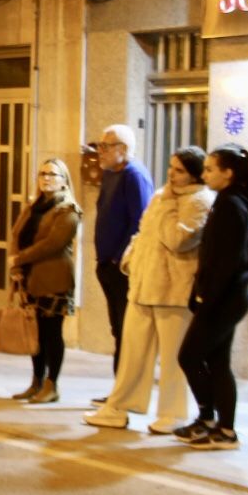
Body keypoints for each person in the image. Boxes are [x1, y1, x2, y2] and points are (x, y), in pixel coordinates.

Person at [85, 147, 213, 433]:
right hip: (143, 285)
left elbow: (178, 240)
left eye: (179, 170)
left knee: (172, 358)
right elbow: (143, 231)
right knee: (132, 351)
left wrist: (169, 207)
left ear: (193, 173)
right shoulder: (161, 196)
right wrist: (132, 257)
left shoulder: (200, 201)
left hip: (174, 291)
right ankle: (118, 407)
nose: (171, 174)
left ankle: (172, 413)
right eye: (170, 167)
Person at [177, 145, 248, 450]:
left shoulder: (231, 205)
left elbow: (226, 262)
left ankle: (220, 425)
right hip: (222, 296)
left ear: (229, 173)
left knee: (188, 356)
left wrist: (206, 297)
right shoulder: (226, 201)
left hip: (224, 299)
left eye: (211, 169)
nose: (205, 174)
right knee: (216, 361)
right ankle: (215, 424)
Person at [7, 159, 81, 405]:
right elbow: (17, 234)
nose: (46, 178)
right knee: (35, 332)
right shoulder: (33, 206)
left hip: (54, 278)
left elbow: (53, 244)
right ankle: (36, 381)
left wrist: (21, 258)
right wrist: (17, 265)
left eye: (53, 174)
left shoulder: (68, 210)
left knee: (52, 333)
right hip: (30, 278)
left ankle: (52, 384)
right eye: (43, 173)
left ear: (64, 180)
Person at [93, 124, 153, 374]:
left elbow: (139, 222)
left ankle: (125, 391)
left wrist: (119, 258)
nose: (100, 152)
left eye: (106, 146)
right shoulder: (110, 173)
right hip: (106, 262)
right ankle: (118, 391)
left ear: (124, 149)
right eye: (100, 146)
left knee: (126, 329)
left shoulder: (133, 175)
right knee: (117, 329)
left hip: (122, 267)